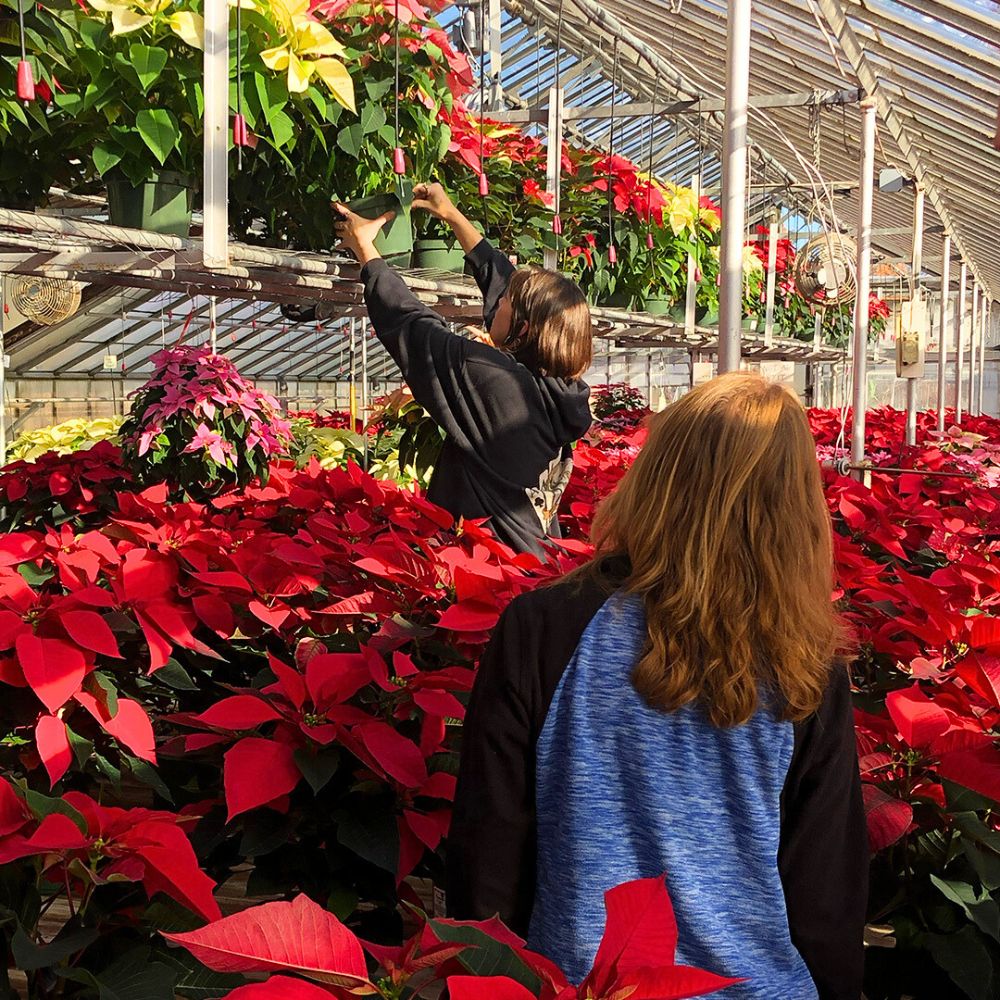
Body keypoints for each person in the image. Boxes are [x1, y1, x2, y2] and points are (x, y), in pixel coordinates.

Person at [448, 373, 868, 1000]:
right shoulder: (805, 659)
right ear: (795, 507)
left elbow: (489, 845)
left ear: (655, 478)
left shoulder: (543, 628)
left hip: (582, 987)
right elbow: (824, 886)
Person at [332, 184, 593, 556]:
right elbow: (508, 286)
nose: (495, 304)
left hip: (493, 574)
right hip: (536, 561)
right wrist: (451, 215)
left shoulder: (497, 384)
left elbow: (415, 329)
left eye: (502, 303)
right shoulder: (561, 387)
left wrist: (367, 251)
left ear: (523, 329)